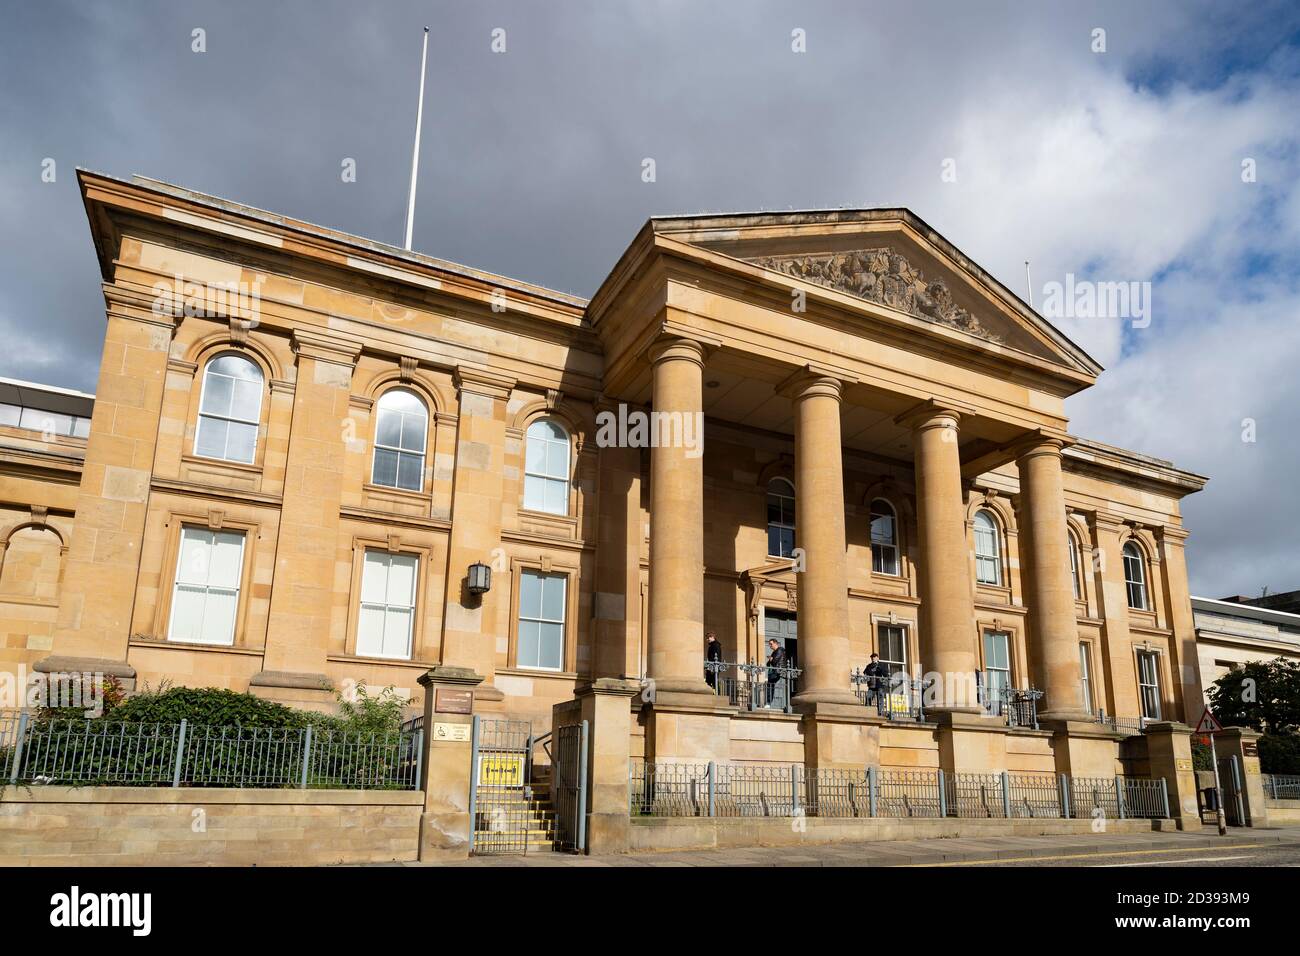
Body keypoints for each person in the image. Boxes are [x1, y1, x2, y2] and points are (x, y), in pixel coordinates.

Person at [765, 638, 788, 708]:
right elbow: (768, 664)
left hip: (778, 672)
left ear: (775, 643)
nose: (770, 646)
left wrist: (771, 659)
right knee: (770, 686)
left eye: (771, 644)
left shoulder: (780, 650)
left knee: (770, 686)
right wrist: (770, 659)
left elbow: (775, 662)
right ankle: (768, 702)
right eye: (769, 644)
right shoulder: (774, 652)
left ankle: (769, 703)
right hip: (773, 672)